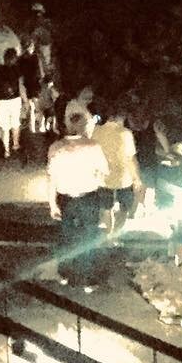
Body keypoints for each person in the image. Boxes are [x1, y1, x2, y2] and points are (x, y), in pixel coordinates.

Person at [46, 108, 108, 290]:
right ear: (83, 127)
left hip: (65, 199)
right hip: (88, 197)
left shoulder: (56, 147)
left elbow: (51, 178)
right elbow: (104, 172)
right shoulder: (93, 147)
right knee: (89, 237)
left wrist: (52, 204)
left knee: (66, 237)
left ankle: (64, 273)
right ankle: (87, 278)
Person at [93, 106, 139, 238]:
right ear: (122, 117)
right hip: (123, 177)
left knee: (106, 208)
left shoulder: (96, 131)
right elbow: (131, 158)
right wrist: (136, 178)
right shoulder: (125, 133)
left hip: (103, 177)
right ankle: (116, 234)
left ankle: (109, 233)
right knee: (124, 208)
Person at [0, 48, 29, 158]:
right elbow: (21, 87)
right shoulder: (17, 70)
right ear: (14, 58)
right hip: (14, 100)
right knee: (15, 124)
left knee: (4, 126)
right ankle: (16, 145)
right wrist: (25, 101)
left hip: (1, 101)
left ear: (4, 58)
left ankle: (6, 150)